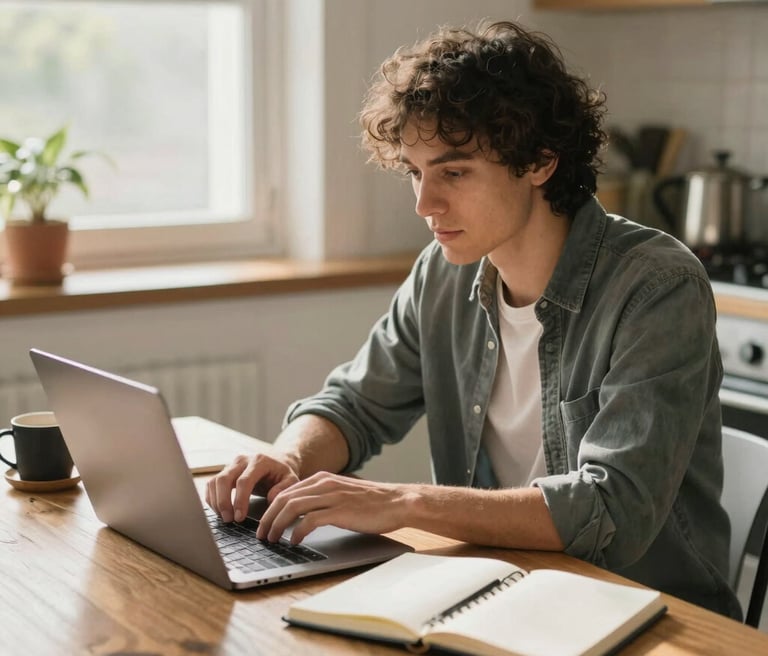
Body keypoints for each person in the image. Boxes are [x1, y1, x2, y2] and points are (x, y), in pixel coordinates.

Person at [206, 20, 741, 619]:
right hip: (503, 590)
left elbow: (612, 508)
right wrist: (289, 458)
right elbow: (354, 404)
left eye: (454, 172)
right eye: (415, 172)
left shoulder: (656, 286)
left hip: (650, 615)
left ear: (540, 161)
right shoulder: (443, 272)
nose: (424, 204)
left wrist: (403, 502)